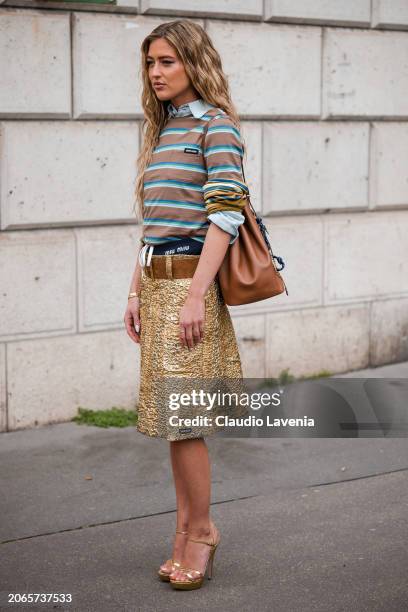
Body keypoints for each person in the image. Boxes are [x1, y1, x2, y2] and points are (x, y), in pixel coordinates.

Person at [124, 19, 250, 591]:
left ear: (194, 63)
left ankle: (201, 531)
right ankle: (182, 529)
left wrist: (197, 292)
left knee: (186, 419)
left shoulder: (214, 128)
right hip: (157, 284)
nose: (156, 73)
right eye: (151, 63)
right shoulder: (165, 131)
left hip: (188, 286)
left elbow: (225, 215)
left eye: (167, 62)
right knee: (174, 423)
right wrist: (134, 290)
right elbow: (155, 224)